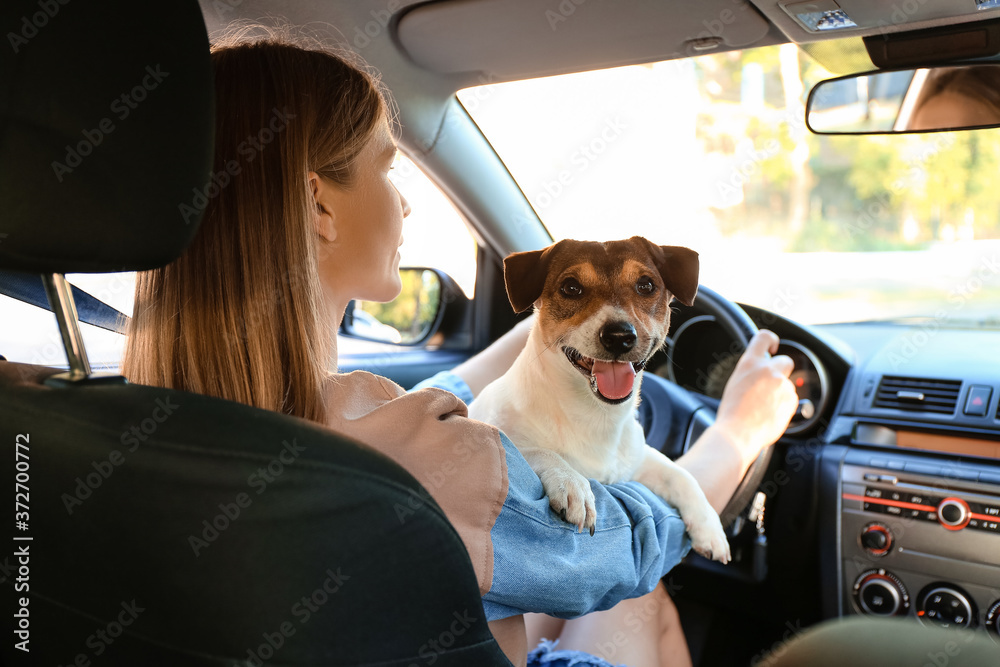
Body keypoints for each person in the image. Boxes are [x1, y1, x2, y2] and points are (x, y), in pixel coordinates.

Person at [121, 25, 798, 667]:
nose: (405, 205)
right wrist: (736, 435)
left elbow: (421, 418)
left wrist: (562, 318)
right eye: (388, 168)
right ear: (319, 206)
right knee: (643, 599)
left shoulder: (121, 422)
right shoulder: (399, 452)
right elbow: (612, 552)